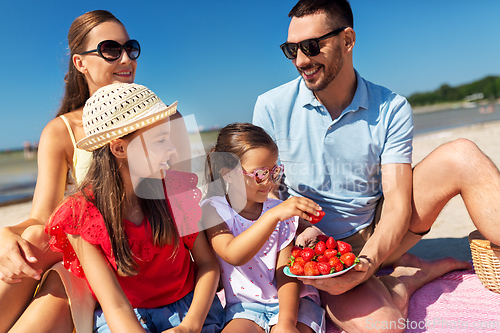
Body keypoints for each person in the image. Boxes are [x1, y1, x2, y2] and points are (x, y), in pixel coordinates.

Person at [253, 0, 500, 332]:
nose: (300, 60)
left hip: (382, 229)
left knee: (463, 154)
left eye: (311, 47)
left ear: (347, 40)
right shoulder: (270, 107)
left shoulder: (391, 107)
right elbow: (263, 196)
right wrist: (301, 233)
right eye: (291, 49)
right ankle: (404, 280)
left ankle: (390, 263)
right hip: (319, 249)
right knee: (385, 326)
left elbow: (398, 201)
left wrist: (368, 262)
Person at [0, 10, 190, 333]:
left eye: (131, 48)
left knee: (55, 270)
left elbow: (187, 201)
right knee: (33, 238)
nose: (126, 58)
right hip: (93, 258)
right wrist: (5, 234)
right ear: (80, 63)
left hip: (143, 256)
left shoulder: (159, 121)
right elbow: (43, 218)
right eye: (111, 50)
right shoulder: (62, 131)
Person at [46, 82, 224, 333]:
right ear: (120, 148)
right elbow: (115, 305)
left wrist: (190, 326)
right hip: (127, 320)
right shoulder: (80, 215)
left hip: (190, 312)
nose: (173, 149)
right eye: (161, 140)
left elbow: (207, 264)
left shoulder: (175, 191)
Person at [201, 123, 325, 333]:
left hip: (293, 303)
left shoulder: (280, 211)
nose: (269, 181)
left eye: (274, 171)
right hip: (244, 307)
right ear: (229, 174)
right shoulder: (213, 210)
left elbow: (286, 272)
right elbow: (233, 253)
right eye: (259, 173)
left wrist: (286, 321)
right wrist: (273, 216)